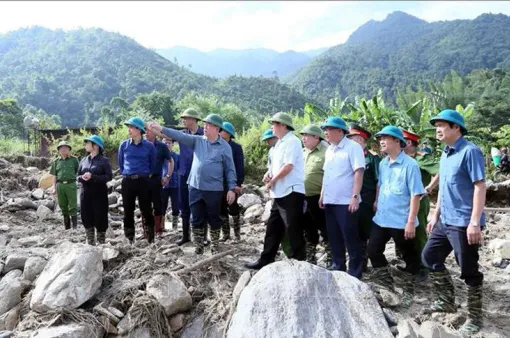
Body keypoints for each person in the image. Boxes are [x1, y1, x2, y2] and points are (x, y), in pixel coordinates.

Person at [422, 109, 486, 335]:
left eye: (442, 125)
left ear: (456, 127)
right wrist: (435, 215)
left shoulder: (470, 152)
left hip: (463, 221)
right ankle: (447, 299)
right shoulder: (446, 153)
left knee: (469, 270)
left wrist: (474, 222)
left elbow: (480, 186)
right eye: (436, 125)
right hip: (446, 219)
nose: (437, 129)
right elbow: (444, 188)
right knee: (429, 256)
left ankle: (475, 318)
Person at [148, 114, 237, 254]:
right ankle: (198, 247)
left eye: (208, 125)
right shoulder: (198, 141)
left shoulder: (225, 147)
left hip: (214, 189)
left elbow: (230, 169)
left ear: (217, 128)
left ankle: (214, 245)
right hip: (195, 187)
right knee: (195, 219)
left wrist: (231, 188)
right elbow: (179, 135)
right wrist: (161, 128)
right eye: (205, 124)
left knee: (213, 218)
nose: (205, 127)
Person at [368, 126, 425, 307]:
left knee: (409, 255)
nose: (381, 142)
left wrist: (410, 222)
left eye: (386, 138)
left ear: (397, 142)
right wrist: (377, 201)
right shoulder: (384, 163)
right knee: (373, 249)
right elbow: (381, 184)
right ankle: (386, 284)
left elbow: (416, 194)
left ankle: (409, 289)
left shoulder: (410, 165)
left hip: (401, 219)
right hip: (382, 217)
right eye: (381, 138)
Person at [245, 112, 306, 269]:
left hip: (291, 192)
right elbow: (275, 167)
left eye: (274, 124)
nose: (272, 126)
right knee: (273, 228)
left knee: (293, 227)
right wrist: (268, 175)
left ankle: (299, 261)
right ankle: (266, 259)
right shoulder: (279, 144)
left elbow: (288, 166)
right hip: (279, 193)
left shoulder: (292, 141)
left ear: (283, 125)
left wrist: (273, 180)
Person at [319, 117, 365, 278]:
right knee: (334, 236)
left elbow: (359, 171)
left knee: (350, 237)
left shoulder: (353, 147)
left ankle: (355, 272)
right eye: (324, 129)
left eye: (328, 129)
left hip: (346, 201)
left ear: (340, 131)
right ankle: (338, 266)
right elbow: (327, 174)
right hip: (331, 200)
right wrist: (323, 194)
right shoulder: (329, 149)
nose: (325, 133)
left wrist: (354, 196)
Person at [402, 129, 440, 281]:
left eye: (401, 140)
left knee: (419, 235)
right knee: (406, 235)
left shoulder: (422, 159)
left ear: (409, 142)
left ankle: (424, 268)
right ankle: (412, 265)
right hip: (404, 202)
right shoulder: (401, 158)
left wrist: (429, 187)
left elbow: (441, 170)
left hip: (418, 202)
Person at [346, 123, 380, 271]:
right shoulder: (348, 154)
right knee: (352, 230)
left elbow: (380, 180)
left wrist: (377, 200)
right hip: (349, 199)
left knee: (364, 231)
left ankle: (362, 262)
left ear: (360, 139)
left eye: (351, 138)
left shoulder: (372, 158)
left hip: (366, 200)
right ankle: (355, 260)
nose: (348, 141)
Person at [117, 116, 156, 244]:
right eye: (129, 127)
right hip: (128, 181)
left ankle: (150, 238)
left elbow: (153, 164)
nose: (129, 129)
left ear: (139, 130)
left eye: (132, 127)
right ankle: (130, 239)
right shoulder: (124, 145)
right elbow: (121, 164)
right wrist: (128, 173)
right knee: (128, 210)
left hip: (143, 181)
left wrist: (145, 175)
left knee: (146, 209)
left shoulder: (149, 146)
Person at [299, 124, 330, 265]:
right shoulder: (302, 152)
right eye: (302, 135)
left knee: (325, 228)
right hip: (303, 197)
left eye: (306, 135)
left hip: (320, 197)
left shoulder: (327, 151)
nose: (303, 138)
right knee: (307, 228)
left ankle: (331, 257)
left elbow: (330, 175)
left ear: (316, 137)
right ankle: (310, 257)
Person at [175, 108, 204, 246]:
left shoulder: (203, 134)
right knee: (183, 205)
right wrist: (151, 128)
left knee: (200, 205)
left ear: (193, 119)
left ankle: (202, 237)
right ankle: (185, 236)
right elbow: (166, 135)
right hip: (184, 173)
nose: (184, 121)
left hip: (199, 175)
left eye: (186, 118)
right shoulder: (182, 134)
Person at [77, 135, 113, 245]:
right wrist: (82, 177)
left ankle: (101, 242)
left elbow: (109, 177)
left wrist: (93, 177)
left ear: (96, 145)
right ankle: (90, 242)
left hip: (99, 193)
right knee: (86, 216)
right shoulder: (83, 160)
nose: (85, 145)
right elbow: (77, 176)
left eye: (88, 143)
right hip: (85, 193)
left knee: (100, 216)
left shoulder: (104, 161)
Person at [219, 122, 245, 241]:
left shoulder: (236, 147)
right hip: (219, 182)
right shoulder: (217, 145)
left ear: (228, 133)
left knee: (233, 207)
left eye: (222, 130)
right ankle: (226, 235)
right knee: (221, 208)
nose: (219, 132)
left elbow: (240, 167)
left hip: (232, 182)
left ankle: (237, 235)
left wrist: (238, 184)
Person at [145, 127, 172, 237]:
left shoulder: (162, 146)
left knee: (158, 205)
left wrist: (167, 176)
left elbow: (171, 161)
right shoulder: (142, 145)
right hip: (144, 180)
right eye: (145, 130)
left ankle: (159, 230)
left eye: (149, 131)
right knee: (144, 205)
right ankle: (146, 231)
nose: (146, 133)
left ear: (155, 133)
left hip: (156, 179)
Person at [50, 141, 80, 230]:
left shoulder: (74, 160)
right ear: (59, 150)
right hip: (60, 186)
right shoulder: (55, 162)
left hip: (71, 184)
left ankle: (75, 227)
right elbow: (54, 176)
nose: (63, 149)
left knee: (73, 205)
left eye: (65, 148)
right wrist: (54, 188)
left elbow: (77, 171)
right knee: (63, 206)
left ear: (69, 149)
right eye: (61, 148)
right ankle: (67, 227)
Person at [161, 138, 180, 230]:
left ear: (173, 144)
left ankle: (175, 226)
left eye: (169, 143)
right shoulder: (160, 156)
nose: (167, 145)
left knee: (176, 207)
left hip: (175, 184)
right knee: (162, 206)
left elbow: (180, 169)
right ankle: (161, 226)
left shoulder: (177, 156)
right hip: (163, 185)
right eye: (165, 143)